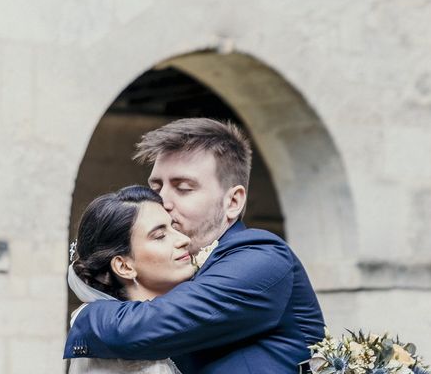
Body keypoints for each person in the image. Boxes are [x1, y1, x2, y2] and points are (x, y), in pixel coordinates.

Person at [65, 118, 325, 373]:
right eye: (156, 186)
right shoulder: (171, 274)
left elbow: (147, 327)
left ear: (233, 202)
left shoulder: (261, 258)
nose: (162, 200)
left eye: (183, 188)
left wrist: (85, 316)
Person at [68, 185, 195, 374]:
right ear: (124, 266)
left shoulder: (149, 341)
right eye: (160, 236)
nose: (184, 239)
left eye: (173, 227)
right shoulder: (133, 361)